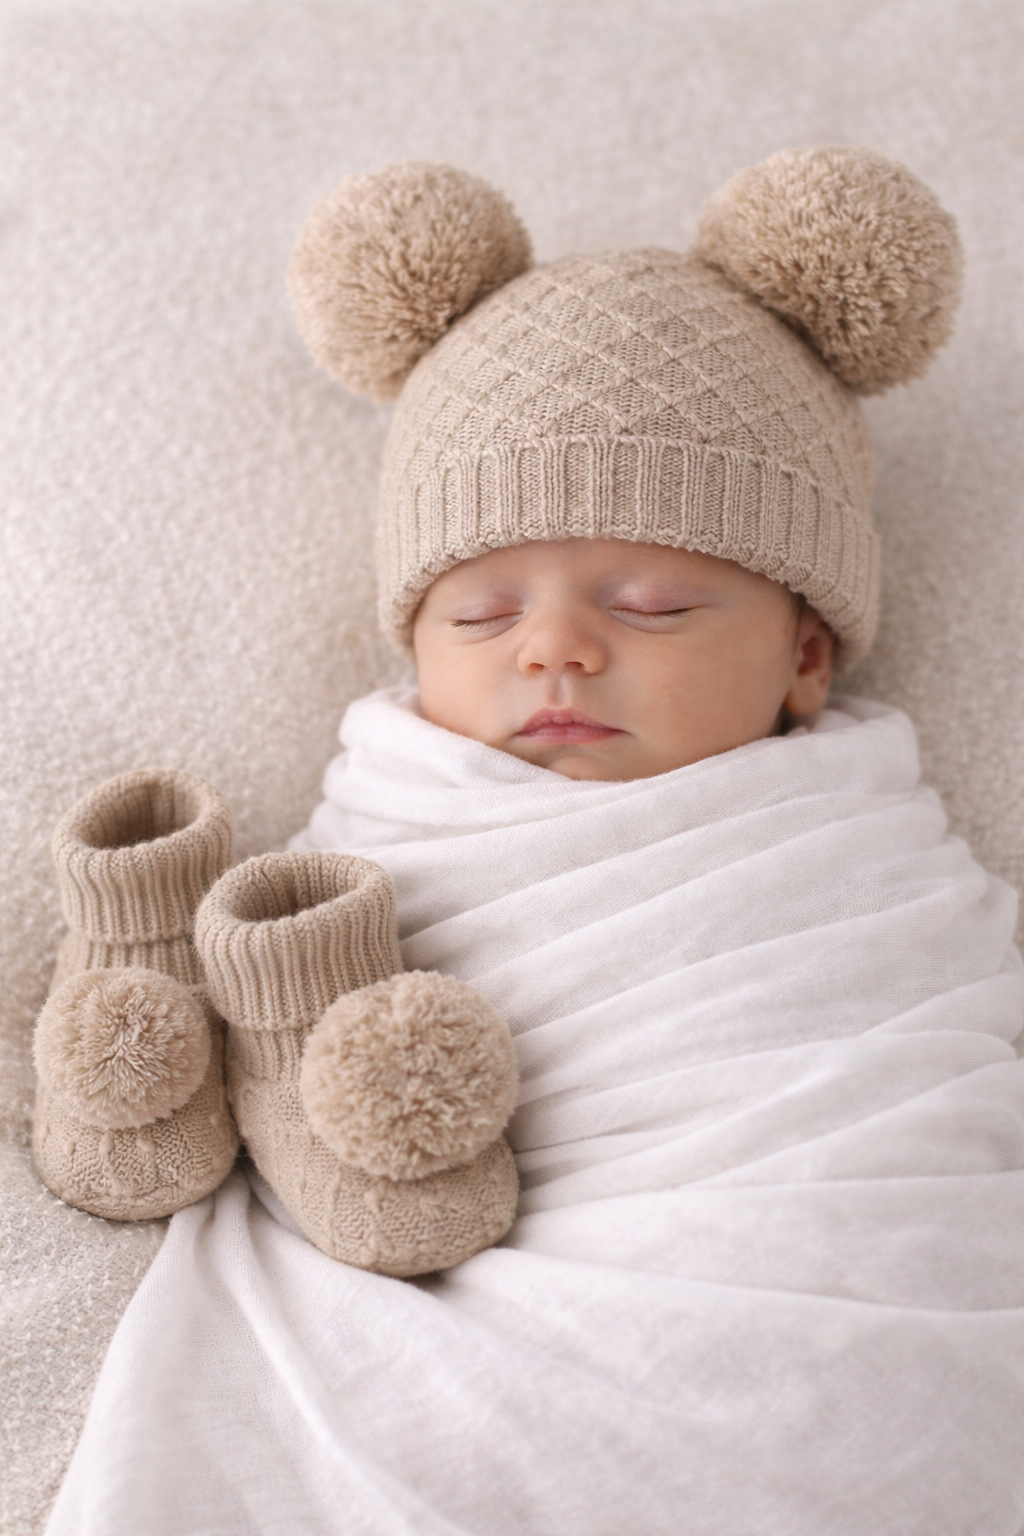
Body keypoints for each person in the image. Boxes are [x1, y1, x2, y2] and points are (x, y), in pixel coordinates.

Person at [43, 147, 1024, 1535]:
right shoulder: (382, 824)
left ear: (807, 655)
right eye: (484, 614)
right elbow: (275, 1059)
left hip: (847, 1295)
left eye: (654, 604)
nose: (557, 648)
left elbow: (941, 1045)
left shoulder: (859, 853)